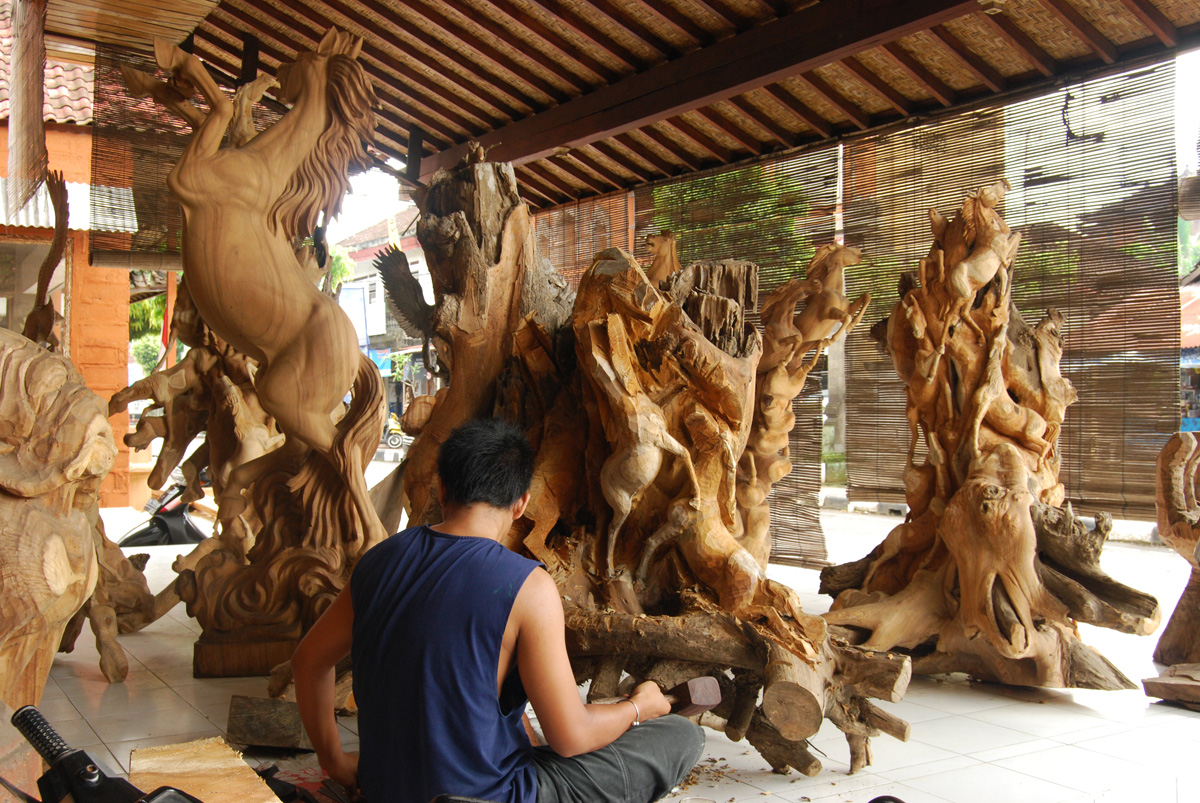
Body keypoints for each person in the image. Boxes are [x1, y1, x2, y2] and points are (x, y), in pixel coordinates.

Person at [293, 418, 705, 803]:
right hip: (482, 797)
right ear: (521, 503)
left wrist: (334, 760)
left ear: (441, 489)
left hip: (386, 790)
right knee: (679, 737)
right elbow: (571, 737)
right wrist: (638, 707)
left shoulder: (379, 561)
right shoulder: (527, 584)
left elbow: (308, 661)